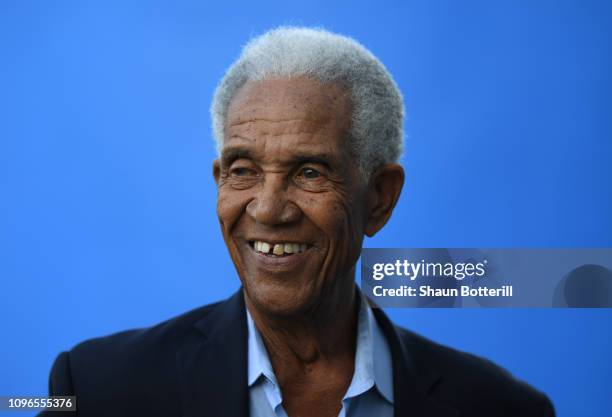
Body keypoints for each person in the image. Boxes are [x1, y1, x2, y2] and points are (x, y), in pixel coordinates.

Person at [41, 27, 555, 417]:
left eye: (309, 172)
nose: (267, 209)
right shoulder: (91, 389)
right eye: (243, 171)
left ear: (379, 198)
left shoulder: (501, 406)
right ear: (219, 180)